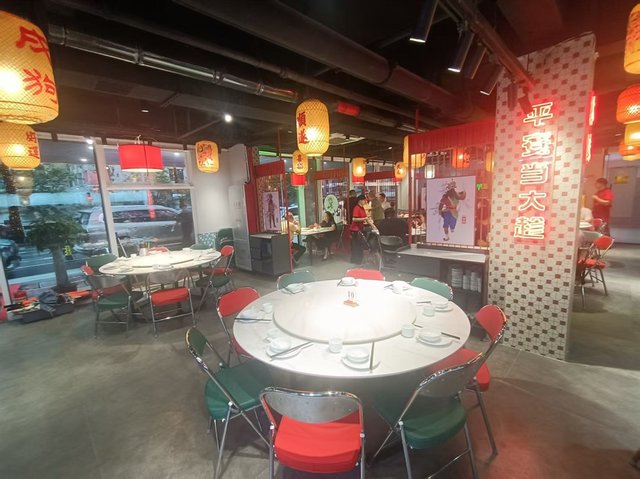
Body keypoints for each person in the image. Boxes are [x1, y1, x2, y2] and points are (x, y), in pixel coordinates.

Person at [349, 194, 376, 264]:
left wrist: (373, 226)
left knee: (359, 245)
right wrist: (364, 219)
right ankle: (356, 260)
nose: (365, 201)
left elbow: (366, 219)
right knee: (356, 245)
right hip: (355, 230)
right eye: (364, 200)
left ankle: (359, 259)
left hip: (360, 229)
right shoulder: (356, 208)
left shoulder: (362, 208)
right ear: (360, 201)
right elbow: (354, 219)